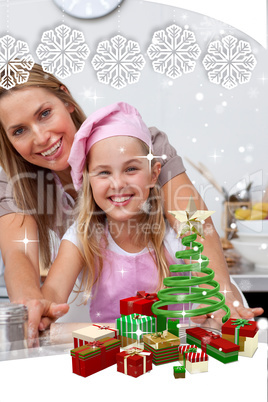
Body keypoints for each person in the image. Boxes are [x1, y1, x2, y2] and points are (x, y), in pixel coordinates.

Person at [0, 65, 263, 344]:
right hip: (101, 305)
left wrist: (218, 290)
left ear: (65, 100)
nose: (41, 138)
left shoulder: (141, 141)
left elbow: (191, 221)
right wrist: (32, 306)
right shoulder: (17, 184)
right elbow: (20, 254)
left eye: (44, 113)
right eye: (19, 130)